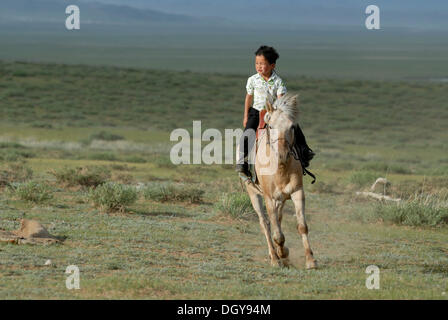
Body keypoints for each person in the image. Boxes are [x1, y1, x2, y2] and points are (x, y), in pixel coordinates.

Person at [236, 45, 314, 177]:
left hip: (274, 113)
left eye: (263, 64)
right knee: (247, 134)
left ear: (272, 65)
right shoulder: (252, 80)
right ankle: (242, 163)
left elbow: (280, 100)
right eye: (257, 63)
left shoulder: (278, 82)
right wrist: (245, 116)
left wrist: (280, 114)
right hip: (257, 112)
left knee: (295, 129)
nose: (259, 66)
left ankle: (304, 153)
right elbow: (248, 98)